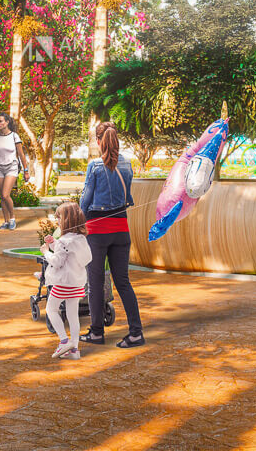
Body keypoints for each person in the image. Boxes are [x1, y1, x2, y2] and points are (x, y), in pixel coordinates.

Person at [79, 122, 144, 348]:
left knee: (95, 283)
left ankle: (97, 332)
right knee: (123, 282)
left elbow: (85, 201)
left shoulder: (94, 166)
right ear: (116, 141)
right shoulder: (127, 164)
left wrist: (76, 222)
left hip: (97, 232)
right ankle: (136, 332)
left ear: (98, 141)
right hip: (121, 230)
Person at [43, 201, 92, 360]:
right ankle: (74, 350)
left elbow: (57, 261)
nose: (57, 221)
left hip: (63, 283)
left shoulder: (65, 240)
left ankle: (64, 341)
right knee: (72, 315)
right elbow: (68, 253)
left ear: (66, 220)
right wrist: (53, 244)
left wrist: (45, 251)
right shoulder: (81, 239)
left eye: (59, 218)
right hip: (76, 284)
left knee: (51, 310)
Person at [0, 112, 29, 230]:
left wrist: (26, 171)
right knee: (2, 196)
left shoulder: (14, 136)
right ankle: (6, 221)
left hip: (12, 166)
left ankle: (12, 218)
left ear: (7, 122)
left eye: (1, 121)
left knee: (6, 195)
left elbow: (21, 154)